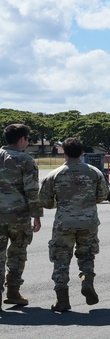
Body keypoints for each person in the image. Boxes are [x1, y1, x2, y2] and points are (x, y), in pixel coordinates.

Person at [38, 137, 109, 311]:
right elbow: (102, 195)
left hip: (64, 224)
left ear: (64, 152)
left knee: (61, 261)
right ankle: (86, 279)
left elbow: (45, 201)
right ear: (82, 153)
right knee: (87, 256)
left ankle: (62, 300)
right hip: (88, 222)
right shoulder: (95, 173)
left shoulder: (54, 175)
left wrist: (61, 204)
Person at [0, 123, 43, 307]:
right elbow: (32, 191)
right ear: (22, 139)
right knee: (17, 254)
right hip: (18, 216)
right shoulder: (26, 161)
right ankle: (13, 291)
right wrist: (37, 215)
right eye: (28, 139)